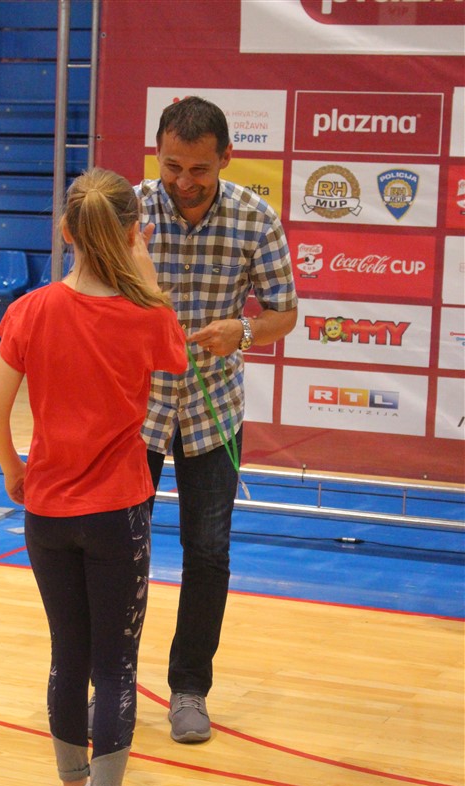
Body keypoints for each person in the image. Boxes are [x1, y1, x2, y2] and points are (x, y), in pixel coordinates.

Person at [0, 168, 187, 786]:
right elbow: (175, 351)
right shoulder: (148, 317)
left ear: (65, 231)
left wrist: (15, 471)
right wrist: (143, 266)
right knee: (115, 665)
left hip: (47, 512)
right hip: (116, 514)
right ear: (133, 233)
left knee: (67, 657)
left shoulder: (30, 310)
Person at [138, 95, 298, 743]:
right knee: (118, 549)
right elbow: (82, 293)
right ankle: (111, 682)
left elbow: (285, 312)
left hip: (212, 411)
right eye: (172, 166)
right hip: (134, 411)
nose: (184, 181)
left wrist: (245, 330)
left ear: (227, 158)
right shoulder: (128, 214)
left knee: (207, 552)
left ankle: (189, 690)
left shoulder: (256, 218)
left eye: (199, 169)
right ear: (157, 154)